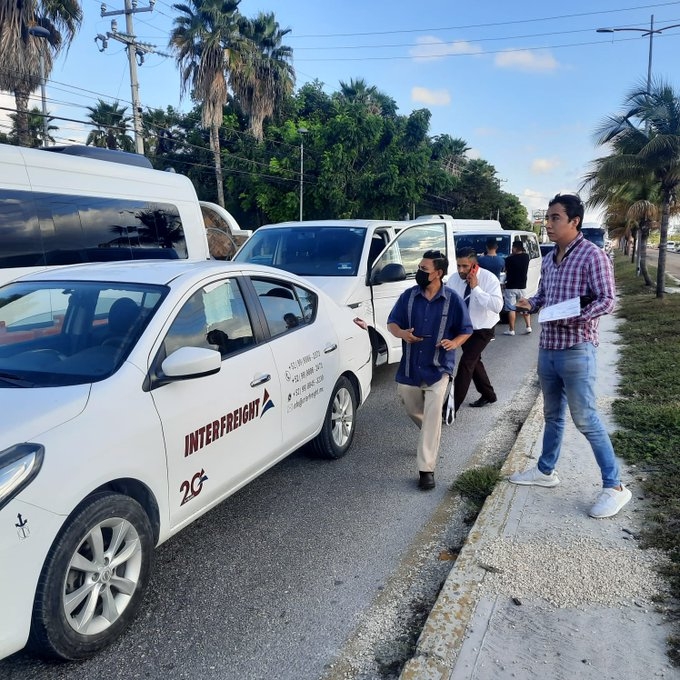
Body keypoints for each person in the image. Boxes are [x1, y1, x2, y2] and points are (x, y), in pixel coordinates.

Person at [508, 193, 632, 519]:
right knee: (553, 415)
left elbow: (607, 301)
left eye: (554, 218)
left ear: (574, 221)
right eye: (547, 218)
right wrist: (530, 305)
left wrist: (572, 316)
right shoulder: (550, 259)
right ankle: (545, 471)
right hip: (548, 348)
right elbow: (544, 296)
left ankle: (615, 486)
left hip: (577, 349)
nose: (547, 224)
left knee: (586, 419)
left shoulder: (593, 256)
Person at [387, 250, 473, 490]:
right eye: (420, 268)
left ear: (439, 273)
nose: (420, 273)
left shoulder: (453, 299)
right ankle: (430, 433)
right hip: (410, 367)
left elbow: (466, 329)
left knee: (433, 414)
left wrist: (454, 343)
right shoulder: (408, 296)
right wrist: (402, 333)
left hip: (439, 368)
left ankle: (427, 469)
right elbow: (392, 322)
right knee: (410, 404)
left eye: (424, 270)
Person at [447, 247, 504, 411]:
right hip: (464, 329)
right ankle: (489, 395)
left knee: (466, 363)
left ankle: (450, 408)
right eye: (458, 266)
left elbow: (497, 306)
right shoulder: (453, 279)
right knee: (474, 362)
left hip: (483, 329)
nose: (460, 270)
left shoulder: (488, 279)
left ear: (474, 266)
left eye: (464, 266)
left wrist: (476, 289)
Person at [503, 240, 533, 336]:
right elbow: (523, 254)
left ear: (515, 248)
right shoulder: (526, 257)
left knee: (511, 308)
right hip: (522, 286)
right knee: (524, 306)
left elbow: (505, 270)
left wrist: (511, 255)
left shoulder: (508, 259)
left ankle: (511, 330)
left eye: (513, 247)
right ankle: (528, 326)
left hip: (511, 286)